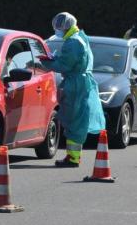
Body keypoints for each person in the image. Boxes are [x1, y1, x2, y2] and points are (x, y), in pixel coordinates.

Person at [38, 12, 106, 167]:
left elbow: (64, 65)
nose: (57, 30)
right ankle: (73, 156)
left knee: (73, 120)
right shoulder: (80, 37)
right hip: (80, 83)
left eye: (58, 27)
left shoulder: (73, 42)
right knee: (77, 120)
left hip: (75, 85)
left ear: (64, 26)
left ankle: (73, 158)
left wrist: (47, 63)